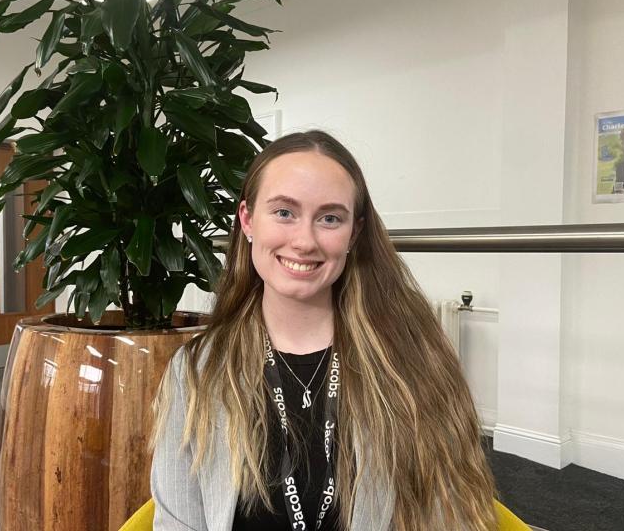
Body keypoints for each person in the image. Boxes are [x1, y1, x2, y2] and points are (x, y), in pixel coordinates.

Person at [150, 130, 498, 530]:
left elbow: (451, 514)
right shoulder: (196, 371)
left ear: (354, 233)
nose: (305, 241)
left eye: (330, 218)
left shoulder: (412, 360)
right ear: (247, 220)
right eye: (284, 212)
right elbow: (178, 522)